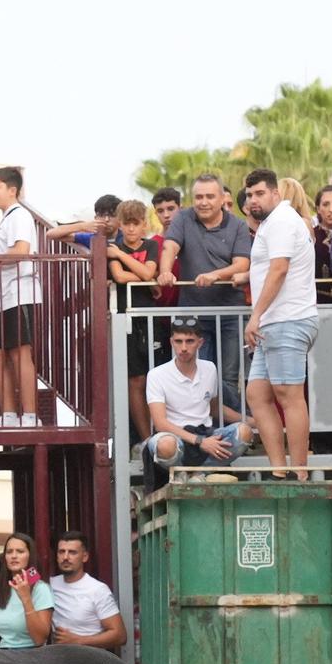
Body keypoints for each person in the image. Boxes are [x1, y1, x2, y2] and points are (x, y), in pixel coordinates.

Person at [239, 169, 320, 472]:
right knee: (257, 395)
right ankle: (278, 470)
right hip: (274, 323)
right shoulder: (272, 223)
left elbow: (279, 269)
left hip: (288, 319)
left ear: (275, 193)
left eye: (260, 193)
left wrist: (255, 316)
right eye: (249, 195)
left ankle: (299, 472)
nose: (253, 200)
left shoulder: (283, 220)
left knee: (289, 396)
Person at [155, 174, 252, 415]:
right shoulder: (184, 218)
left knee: (228, 376)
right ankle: (206, 429)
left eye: (210, 196)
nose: (204, 202)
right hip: (194, 314)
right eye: (199, 197)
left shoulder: (238, 225)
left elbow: (242, 264)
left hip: (230, 313)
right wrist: (165, 271)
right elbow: (170, 246)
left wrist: (215, 275)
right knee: (197, 373)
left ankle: (234, 430)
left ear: (222, 199)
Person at [141, 317, 250, 481]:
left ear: (200, 342)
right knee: (165, 445)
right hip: (174, 437)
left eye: (189, 341)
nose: (183, 348)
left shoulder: (210, 368)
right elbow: (160, 423)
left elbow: (213, 408)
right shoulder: (157, 375)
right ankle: (182, 473)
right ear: (171, 342)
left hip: (205, 433)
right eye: (178, 341)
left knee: (245, 432)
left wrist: (252, 421)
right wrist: (200, 441)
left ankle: (199, 473)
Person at [0, 166, 43, 430]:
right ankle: (8, 414)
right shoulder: (7, 218)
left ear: (12, 190)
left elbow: (21, 250)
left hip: (18, 294)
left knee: (20, 354)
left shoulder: (20, 215)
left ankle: (29, 416)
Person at [106, 199, 164, 439]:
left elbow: (149, 272)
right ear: (120, 224)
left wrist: (120, 254)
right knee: (135, 379)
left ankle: (162, 434)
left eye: (135, 223)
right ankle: (145, 438)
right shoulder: (111, 247)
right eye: (126, 224)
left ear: (144, 225)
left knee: (157, 378)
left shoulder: (149, 245)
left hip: (150, 318)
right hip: (125, 319)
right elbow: (119, 277)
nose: (130, 229)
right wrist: (144, 276)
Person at [48, 532, 125, 652]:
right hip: (58, 661)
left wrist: (79, 640)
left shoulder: (97, 589)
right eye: (61, 552)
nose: (66, 557)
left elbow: (119, 635)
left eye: (72, 552)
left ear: (85, 557)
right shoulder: (49, 585)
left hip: (90, 661)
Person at [0, 532, 53, 650]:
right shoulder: (5, 588)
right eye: (9, 552)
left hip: (29, 657)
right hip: (3, 654)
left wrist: (26, 598)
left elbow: (40, 639)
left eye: (20, 551)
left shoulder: (41, 588)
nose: (14, 556)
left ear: (30, 556)